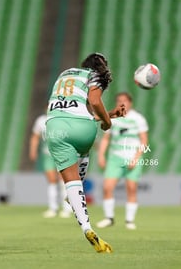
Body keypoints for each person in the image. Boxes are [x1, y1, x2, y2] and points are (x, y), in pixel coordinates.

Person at [45, 53, 125, 253]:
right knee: (83, 150)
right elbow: (94, 102)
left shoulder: (65, 75)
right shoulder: (94, 75)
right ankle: (75, 190)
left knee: (70, 183)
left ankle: (87, 227)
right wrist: (108, 122)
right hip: (82, 129)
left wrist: (110, 114)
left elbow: (74, 109)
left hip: (54, 126)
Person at [96, 92, 148, 230]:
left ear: (130, 102)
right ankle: (109, 218)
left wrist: (136, 158)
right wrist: (101, 155)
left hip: (132, 157)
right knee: (107, 187)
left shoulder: (138, 118)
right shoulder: (112, 118)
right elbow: (106, 138)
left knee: (131, 188)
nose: (122, 103)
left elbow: (144, 140)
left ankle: (129, 221)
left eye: (124, 100)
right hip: (115, 158)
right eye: (119, 100)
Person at [29, 113, 72, 218]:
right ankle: (53, 208)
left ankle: (67, 208)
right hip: (47, 154)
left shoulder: (63, 118)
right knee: (51, 181)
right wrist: (33, 150)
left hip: (62, 154)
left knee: (63, 181)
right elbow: (35, 136)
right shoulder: (41, 120)